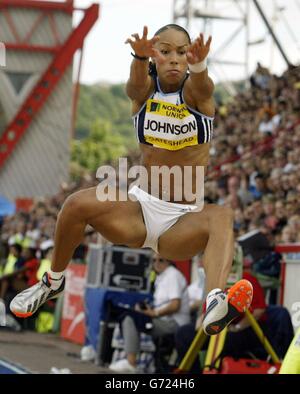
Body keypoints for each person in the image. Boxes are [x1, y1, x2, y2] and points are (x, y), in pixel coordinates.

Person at [10, 24, 253, 335]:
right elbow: (135, 88)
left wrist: (200, 65)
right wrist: (138, 58)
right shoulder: (143, 95)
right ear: (154, 56)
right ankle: (53, 281)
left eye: (182, 52)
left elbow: (203, 88)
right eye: (166, 52)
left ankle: (215, 301)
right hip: (139, 211)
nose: (176, 59)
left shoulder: (196, 95)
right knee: (75, 203)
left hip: (181, 222)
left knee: (222, 216)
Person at [109, 254, 190, 373]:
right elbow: (162, 303)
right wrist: (146, 309)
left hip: (174, 323)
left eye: (161, 260)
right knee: (129, 314)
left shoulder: (173, 275)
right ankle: (132, 361)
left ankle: (131, 363)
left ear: (169, 261)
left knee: (129, 318)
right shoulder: (161, 276)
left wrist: (154, 313)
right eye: (154, 260)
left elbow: (175, 305)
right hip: (163, 319)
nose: (156, 263)